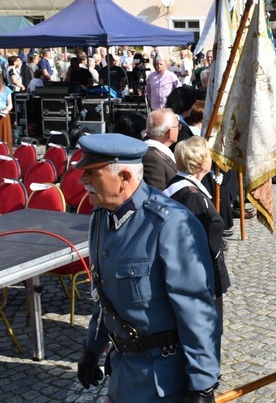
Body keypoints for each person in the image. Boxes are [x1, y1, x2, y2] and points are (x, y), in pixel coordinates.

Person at [73, 134, 220, 401]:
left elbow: (196, 310)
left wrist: (202, 384)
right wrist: (92, 349)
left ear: (125, 178)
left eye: (92, 173)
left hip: (162, 381)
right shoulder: (101, 217)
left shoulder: (169, 224)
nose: (83, 181)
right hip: (121, 373)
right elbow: (103, 294)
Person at [163, 136, 231, 324]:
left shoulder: (177, 184)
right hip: (201, 279)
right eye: (208, 155)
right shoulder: (192, 197)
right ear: (202, 163)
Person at [142, 108, 180, 190]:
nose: (179, 129)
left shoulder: (158, 150)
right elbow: (156, 195)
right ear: (170, 132)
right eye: (178, 126)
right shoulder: (151, 157)